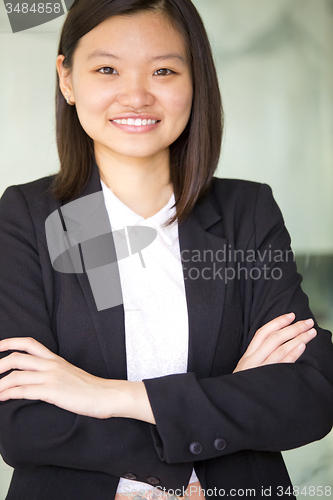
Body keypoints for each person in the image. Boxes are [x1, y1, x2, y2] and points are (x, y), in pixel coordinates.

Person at [0, 0, 332, 499]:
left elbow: (306, 397)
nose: (136, 95)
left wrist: (103, 394)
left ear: (195, 80)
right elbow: (20, 421)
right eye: (107, 69)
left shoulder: (248, 211)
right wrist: (217, 410)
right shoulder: (27, 216)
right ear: (67, 79)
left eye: (163, 70)